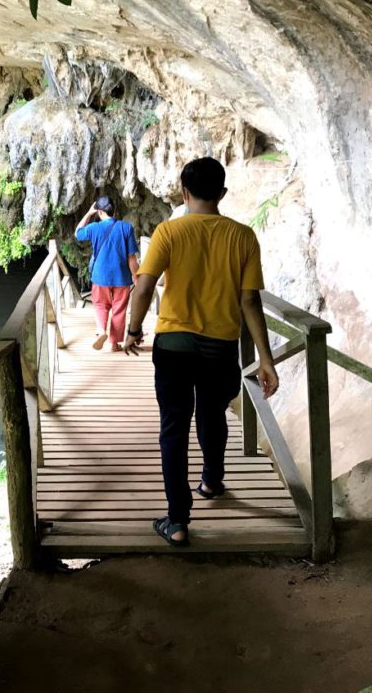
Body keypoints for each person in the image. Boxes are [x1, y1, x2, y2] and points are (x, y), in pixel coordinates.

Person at [122, 157, 279, 547]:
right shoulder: (243, 236)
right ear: (222, 193)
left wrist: (132, 330)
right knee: (212, 414)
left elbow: (143, 288)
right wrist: (266, 358)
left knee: (173, 427)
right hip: (220, 347)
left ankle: (177, 521)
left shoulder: (168, 233)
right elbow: (250, 301)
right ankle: (212, 480)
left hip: (174, 345)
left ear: (183, 191)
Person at [75, 196, 140, 352]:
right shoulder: (126, 228)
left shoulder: (94, 228)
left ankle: (101, 330)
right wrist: (136, 278)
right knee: (119, 309)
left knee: (100, 305)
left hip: (100, 276)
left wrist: (89, 214)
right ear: (113, 210)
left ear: (100, 211)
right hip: (121, 277)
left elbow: (77, 233)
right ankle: (114, 344)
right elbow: (132, 258)